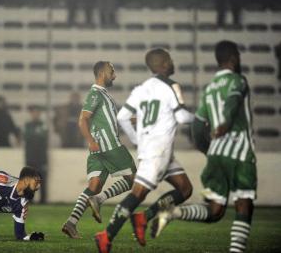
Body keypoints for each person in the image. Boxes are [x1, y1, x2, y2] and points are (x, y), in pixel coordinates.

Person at [151, 40, 257, 253]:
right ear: (234, 58)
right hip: (239, 151)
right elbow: (233, 101)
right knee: (244, 204)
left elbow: (197, 129)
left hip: (216, 153)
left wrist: (210, 151)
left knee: (215, 210)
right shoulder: (239, 80)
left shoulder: (209, 90)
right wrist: (226, 123)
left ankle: (173, 213)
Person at [94, 49, 195, 253]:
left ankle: (144, 217)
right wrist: (202, 119)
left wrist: (138, 140)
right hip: (158, 152)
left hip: (157, 149)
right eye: (170, 60)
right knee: (138, 194)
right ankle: (107, 235)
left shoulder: (141, 89)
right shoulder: (171, 86)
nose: (173, 62)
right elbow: (183, 117)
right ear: (164, 64)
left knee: (185, 189)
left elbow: (122, 117)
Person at [61, 61, 137, 239]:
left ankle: (71, 223)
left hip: (98, 149)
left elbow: (112, 121)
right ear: (103, 73)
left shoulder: (104, 95)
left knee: (94, 186)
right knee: (132, 179)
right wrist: (90, 140)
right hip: (109, 145)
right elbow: (82, 119)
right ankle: (99, 200)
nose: (115, 75)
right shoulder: (95, 93)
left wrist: (134, 120)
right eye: (112, 71)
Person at [24, 106, 48, 204]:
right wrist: (36, 134)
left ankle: (43, 200)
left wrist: (34, 135)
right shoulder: (27, 125)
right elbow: (26, 136)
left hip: (41, 157)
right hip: (30, 157)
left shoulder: (43, 125)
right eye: (34, 112)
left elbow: (44, 136)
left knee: (42, 179)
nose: (35, 114)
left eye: (37, 112)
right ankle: (30, 199)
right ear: (31, 114)